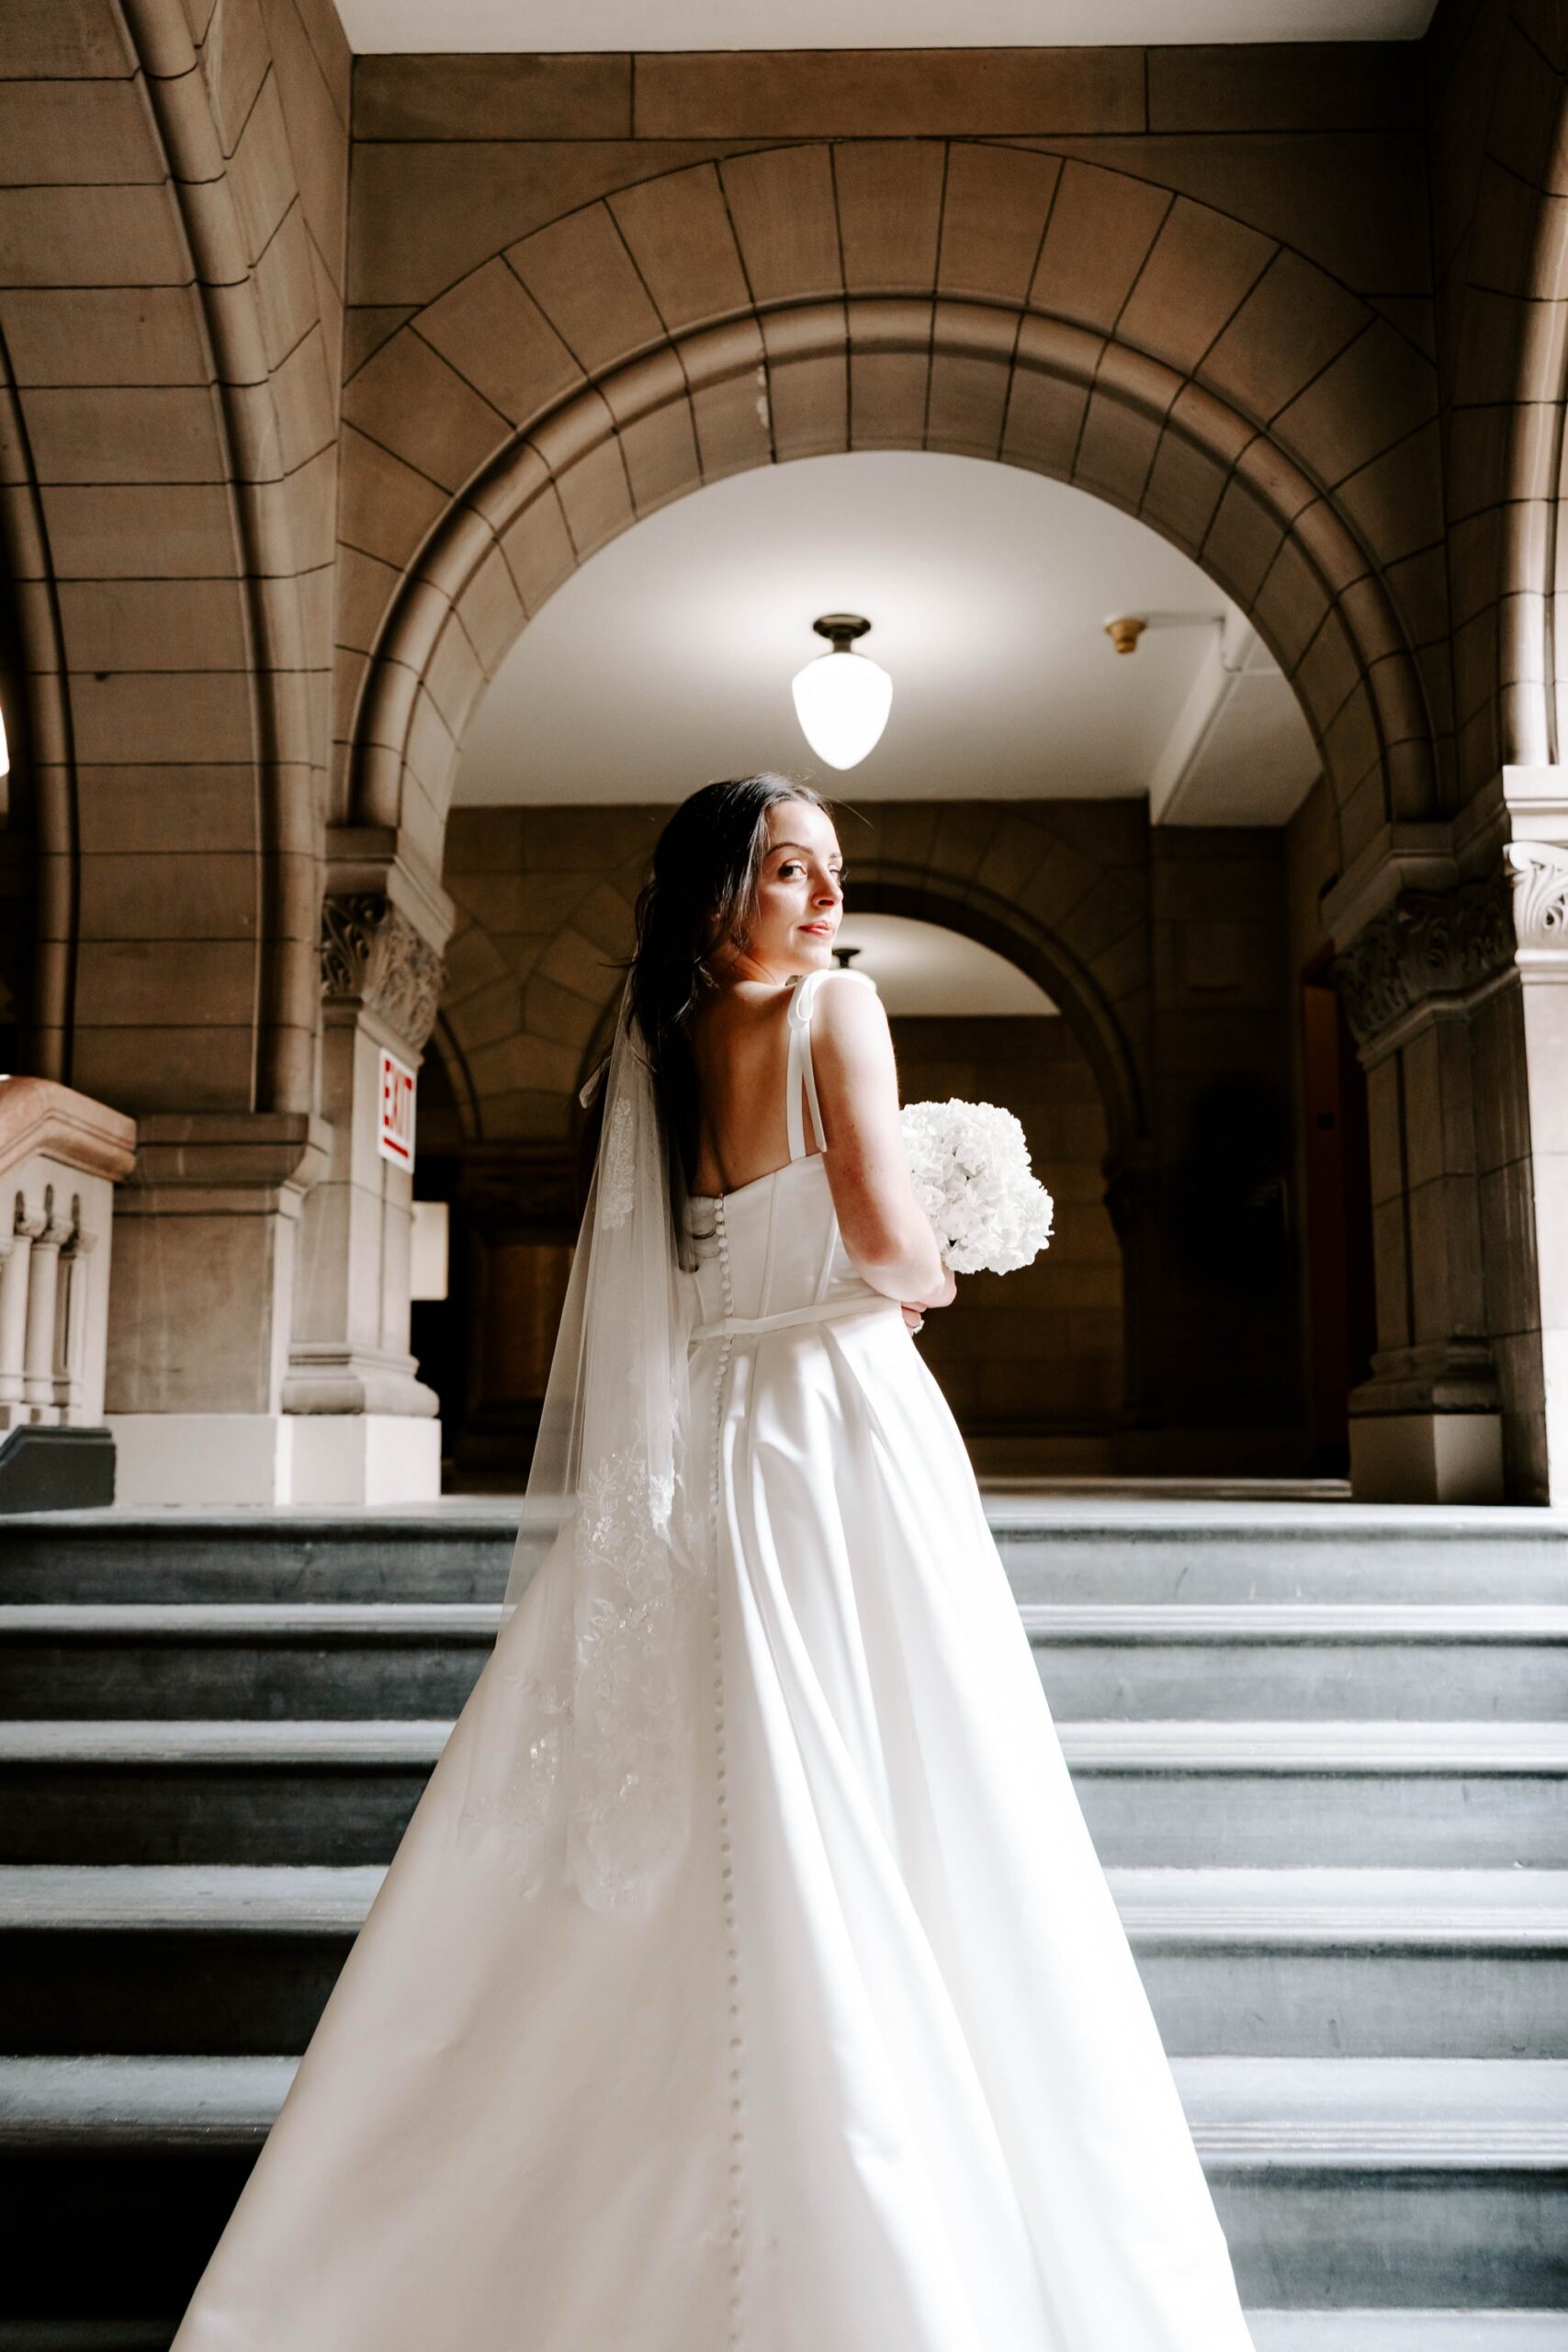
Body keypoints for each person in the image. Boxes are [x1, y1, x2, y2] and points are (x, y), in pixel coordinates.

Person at [169, 775, 1256, 2350]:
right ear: (722, 894)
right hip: (837, 1414)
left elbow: (683, 1261)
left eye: (832, 874)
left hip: (720, 1421)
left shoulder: (665, 1044)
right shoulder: (839, 1014)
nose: (824, 903)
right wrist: (939, 1271)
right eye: (791, 872)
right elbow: (884, 1241)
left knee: (739, 1763)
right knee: (895, 1760)